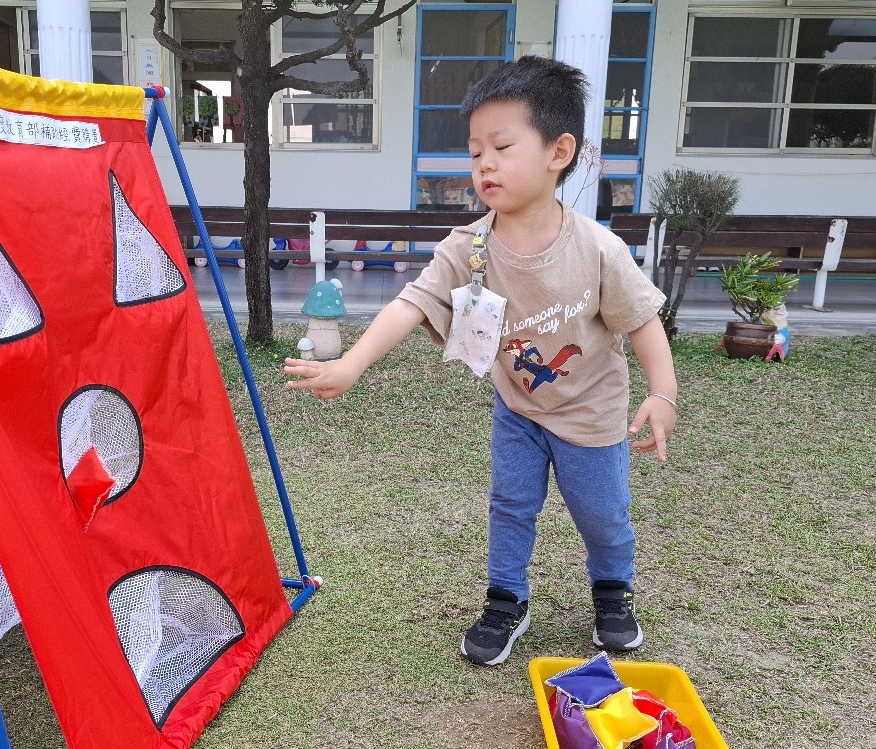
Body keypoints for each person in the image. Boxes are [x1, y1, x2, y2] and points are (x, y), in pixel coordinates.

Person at [283, 56, 677, 666]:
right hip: (518, 409)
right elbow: (412, 302)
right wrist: (351, 364)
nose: (484, 164)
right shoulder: (469, 247)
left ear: (559, 151)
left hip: (592, 412)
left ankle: (611, 593)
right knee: (511, 506)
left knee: (603, 515)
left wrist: (662, 394)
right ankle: (506, 600)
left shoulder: (598, 248)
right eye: (474, 152)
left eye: (501, 146)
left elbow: (642, 320)